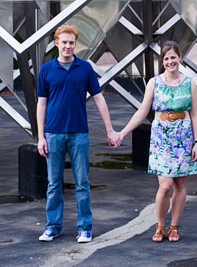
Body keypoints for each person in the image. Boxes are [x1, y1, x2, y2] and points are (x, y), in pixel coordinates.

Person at [36, 24, 118, 244]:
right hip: (53, 133)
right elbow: (41, 104)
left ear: (75, 44)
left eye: (71, 42)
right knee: (54, 183)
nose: (68, 46)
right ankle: (52, 227)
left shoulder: (85, 68)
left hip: (79, 133)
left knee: (82, 182)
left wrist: (109, 129)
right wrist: (40, 136)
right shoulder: (46, 70)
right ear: (56, 43)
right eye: (64, 42)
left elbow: (99, 98)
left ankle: (85, 228)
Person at [114, 40, 197, 243]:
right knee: (165, 185)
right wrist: (123, 133)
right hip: (161, 136)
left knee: (180, 183)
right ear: (162, 61)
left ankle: (174, 227)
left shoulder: (190, 83)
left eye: (173, 57)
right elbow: (142, 112)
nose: (170, 61)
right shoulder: (154, 83)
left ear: (180, 58)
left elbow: (195, 114)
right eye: (166, 58)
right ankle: (160, 225)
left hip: (183, 136)